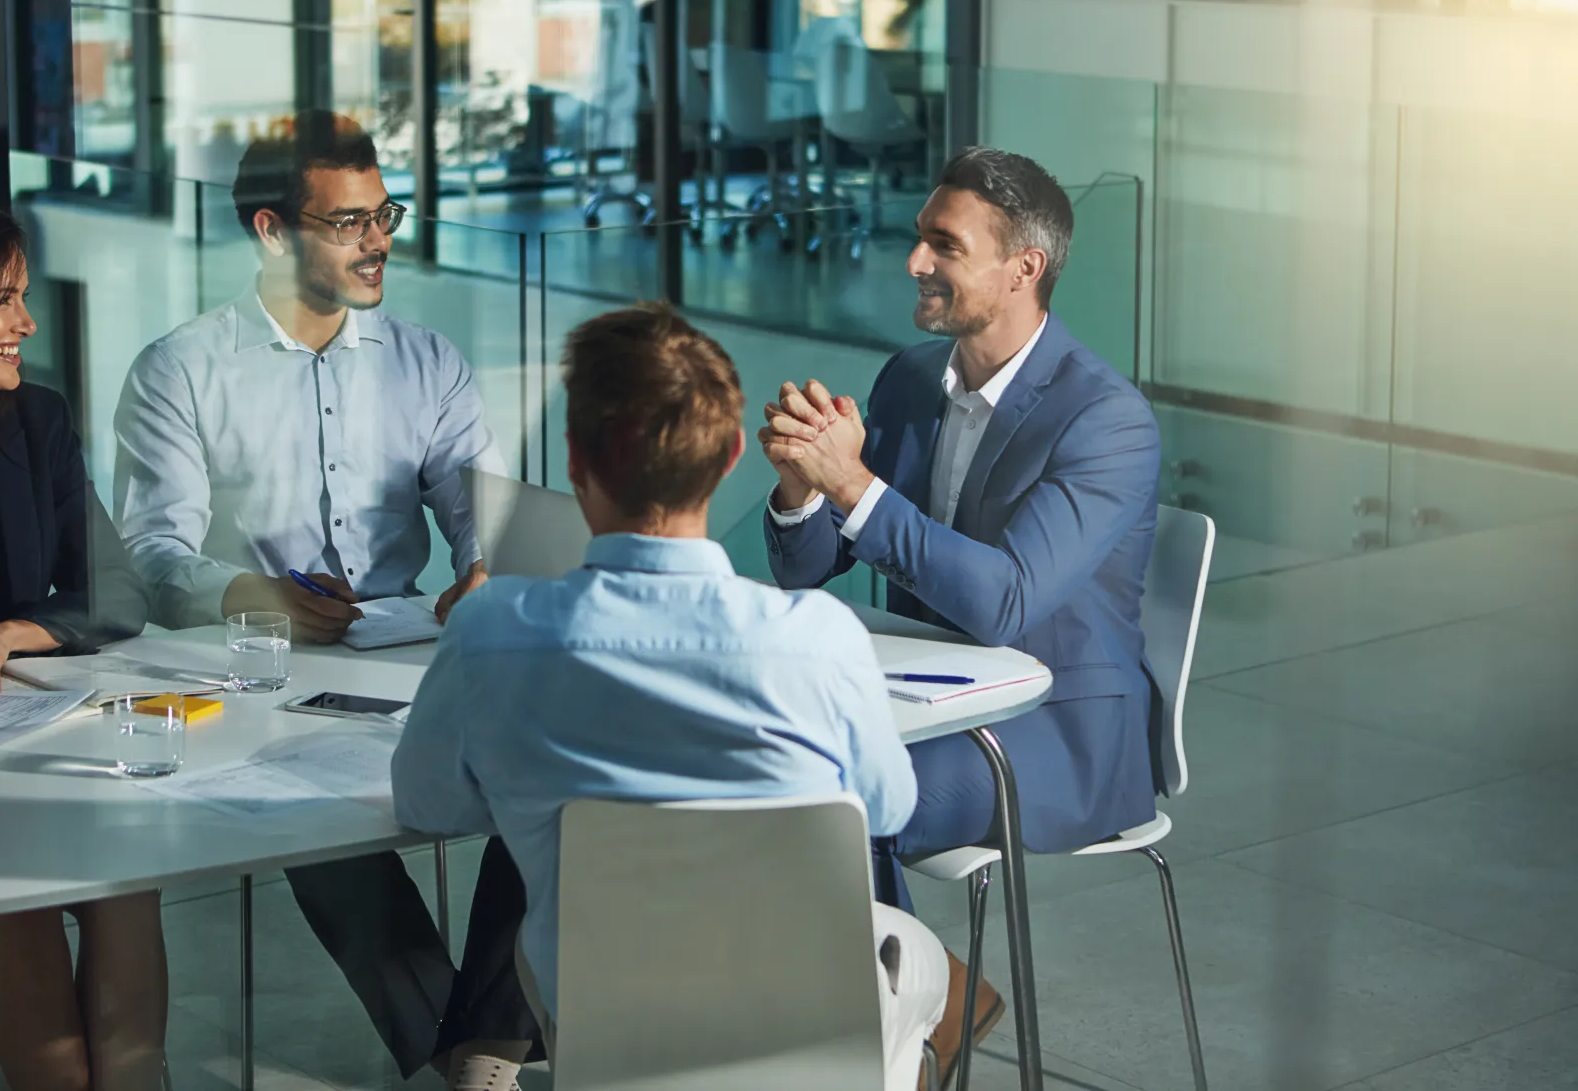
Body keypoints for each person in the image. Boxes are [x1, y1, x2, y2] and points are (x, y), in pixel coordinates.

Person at [392, 304, 947, 1091]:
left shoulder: (488, 634)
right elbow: (887, 811)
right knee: (904, 955)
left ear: (576, 461)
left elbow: (426, 801)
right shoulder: (817, 640)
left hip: (605, 1032)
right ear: (728, 459)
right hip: (806, 1032)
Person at [111, 111, 540, 1082]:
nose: (378, 239)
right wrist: (247, 594)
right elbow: (150, 552)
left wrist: (482, 562)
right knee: (310, 820)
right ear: (271, 232)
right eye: (347, 222)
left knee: (552, 767)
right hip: (263, 676)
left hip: (417, 655)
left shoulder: (426, 362)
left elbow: (487, 507)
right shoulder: (179, 370)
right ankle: (480, 1063)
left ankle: (473, 1059)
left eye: (382, 212)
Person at [760, 147, 1162, 1083]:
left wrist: (853, 484)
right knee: (767, 772)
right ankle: (935, 995)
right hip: (926, 706)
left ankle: (861, 1048)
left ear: (1024, 267)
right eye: (919, 239)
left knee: (835, 804)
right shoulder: (911, 380)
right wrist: (800, 494)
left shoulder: (1106, 419)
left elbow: (1005, 602)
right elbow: (811, 570)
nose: (915, 262)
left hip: (1056, 732)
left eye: (944, 244)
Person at [0, 207, 164, 1090]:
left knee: (126, 875)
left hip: (31, 715)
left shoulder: (36, 420)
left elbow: (117, 591)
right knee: (22, 901)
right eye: (4, 301)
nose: (27, 323)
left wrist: (22, 630)